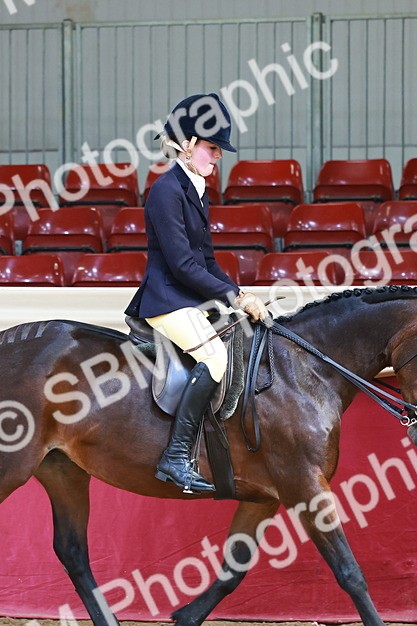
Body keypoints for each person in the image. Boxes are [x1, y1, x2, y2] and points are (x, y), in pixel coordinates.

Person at [124, 93, 269, 494]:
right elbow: (182, 266)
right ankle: (175, 456)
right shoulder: (165, 191)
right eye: (212, 147)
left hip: (189, 297)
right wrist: (236, 298)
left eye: (219, 150)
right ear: (187, 144)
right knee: (214, 355)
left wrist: (238, 294)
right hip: (167, 298)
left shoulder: (196, 188)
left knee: (241, 335)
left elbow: (205, 261)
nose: (218, 156)